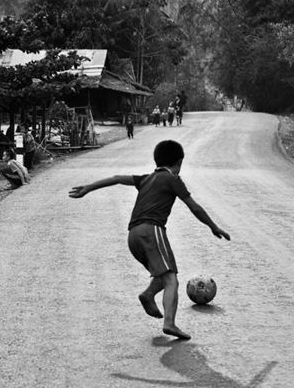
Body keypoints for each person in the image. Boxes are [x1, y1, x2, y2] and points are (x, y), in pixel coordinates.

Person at [69, 139, 230, 340]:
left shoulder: (146, 178)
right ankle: (169, 323)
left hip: (133, 236)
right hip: (151, 231)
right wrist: (213, 226)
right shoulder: (173, 179)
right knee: (171, 279)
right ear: (179, 162)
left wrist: (88, 188)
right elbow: (194, 206)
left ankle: (147, 295)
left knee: (162, 274)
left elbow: (117, 178)